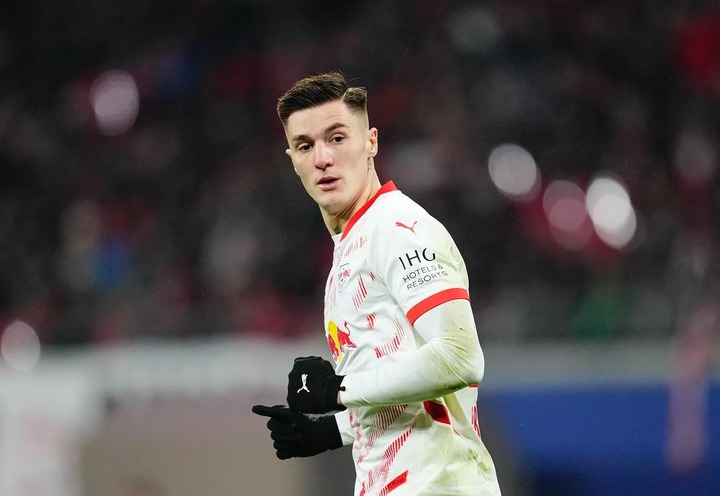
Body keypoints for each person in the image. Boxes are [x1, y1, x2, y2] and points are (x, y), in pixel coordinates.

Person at [252, 72, 502, 496]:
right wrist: (329, 431)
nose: (322, 159)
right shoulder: (354, 244)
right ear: (292, 159)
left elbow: (461, 358)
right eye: (305, 146)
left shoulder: (398, 229)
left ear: (371, 142)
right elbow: (410, 392)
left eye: (336, 138)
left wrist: (338, 391)